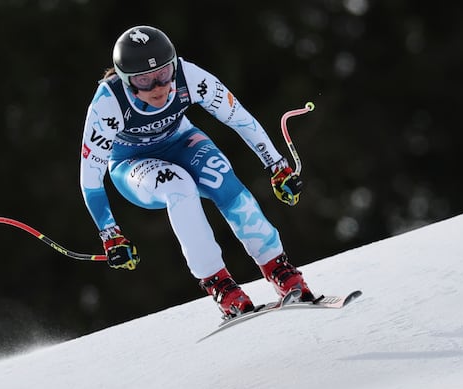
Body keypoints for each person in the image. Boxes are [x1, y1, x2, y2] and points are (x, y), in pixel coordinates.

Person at [79, 25, 315, 319]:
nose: (158, 88)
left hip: (181, 141)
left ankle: (279, 268)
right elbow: (90, 179)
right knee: (180, 188)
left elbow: (240, 118)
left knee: (222, 178)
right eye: (144, 80)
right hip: (131, 163)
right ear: (127, 81)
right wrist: (110, 233)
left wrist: (277, 166)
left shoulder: (189, 77)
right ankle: (221, 285)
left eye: (164, 74)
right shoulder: (107, 104)